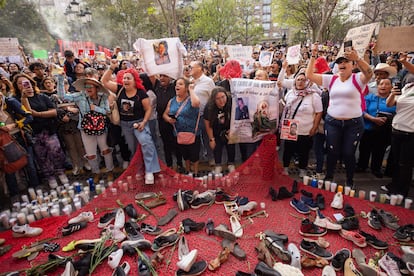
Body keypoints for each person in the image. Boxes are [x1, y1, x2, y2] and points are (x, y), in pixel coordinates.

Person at [306, 43, 373, 187]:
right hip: (333, 122)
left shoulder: (358, 78)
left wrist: (358, 58)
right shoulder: (332, 79)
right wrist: (313, 55)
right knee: (332, 151)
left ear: (351, 64)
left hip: (353, 124)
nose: (342, 64)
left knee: (349, 153)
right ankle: (329, 176)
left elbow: (369, 73)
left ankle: (350, 180)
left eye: (345, 61)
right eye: (339, 62)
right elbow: (309, 75)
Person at [102, 60, 160, 184]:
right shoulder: (120, 89)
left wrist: (144, 122)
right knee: (133, 148)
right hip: (125, 125)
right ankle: (139, 169)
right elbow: (104, 82)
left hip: (139, 123)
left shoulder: (141, 93)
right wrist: (111, 68)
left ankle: (150, 171)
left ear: (135, 80)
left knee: (146, 143)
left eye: (128, 78)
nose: (125, 80)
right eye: (124, 78)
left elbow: (148, 108)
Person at [13, 73, 68, 188]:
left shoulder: (42, 96)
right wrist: (24, 98)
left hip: (48, 129)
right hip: (34, 132)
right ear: (17, 86)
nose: (24, 85)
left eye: (26, 82)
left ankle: (60, 172)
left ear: (31, 83)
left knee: (56, 152)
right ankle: (50, 177)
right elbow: (28, 113)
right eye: (20, 83)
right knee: (42, 156)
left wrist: (40, 114)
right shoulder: (16, 100)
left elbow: (54, 111)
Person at [57, 76, 115, 183]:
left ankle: (110, 171)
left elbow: (107, 111)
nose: (88, 88)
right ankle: (95, 172)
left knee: (105, 150)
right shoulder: (80, 96)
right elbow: (62, 96)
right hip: (85, 129)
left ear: (97, 88)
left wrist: (96, 108)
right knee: (91, 154)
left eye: (91, 86)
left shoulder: (103, 97)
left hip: (101, 128)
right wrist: (60, 79)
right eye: (86, 86)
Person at [383, 53, 414, 198]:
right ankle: (393, 186)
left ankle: (401, 191)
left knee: (405, 164)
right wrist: (392, 94)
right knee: (395, 161)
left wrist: (404, 62)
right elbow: (390, 104)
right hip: (397, 129)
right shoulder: (407, 88)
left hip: (410, 133)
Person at [280, 72, 323, 177]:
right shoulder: (290, 93)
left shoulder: (314, 95)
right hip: (290, 127)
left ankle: (302, 169)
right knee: (288, 150)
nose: (300, 82)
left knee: (304, 151)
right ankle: (285, 168)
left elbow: (319, 112)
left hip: (305, 128)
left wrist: (314, 127)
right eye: (298, 79)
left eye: (303, 80)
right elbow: (285, 106)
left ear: (308, 82)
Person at [0, 93, 39, 202]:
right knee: (9, 167)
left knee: (29, 164)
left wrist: (15, 125)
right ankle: (14, 195)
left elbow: (29, 116)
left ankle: (37, 188)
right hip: (4, 141)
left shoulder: (10, 102)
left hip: (19, 136)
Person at [357, 78, 396, 178]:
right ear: (377, 86)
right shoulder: (370, 97)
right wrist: (373, 119)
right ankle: (362, 165)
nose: (383, 86)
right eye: (381, 84)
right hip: (368, 128)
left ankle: (376, 168)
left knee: (380, 150)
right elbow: (362, 111)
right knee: (364, 148)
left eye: (387, 84)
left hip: (384, 130)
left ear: (391, 87)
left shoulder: (394, 100)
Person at [163, 78, 201, 175]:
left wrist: (191, 90)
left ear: (186, 87)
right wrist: (168, 119)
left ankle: (196, 174)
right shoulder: (172, 101)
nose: (177, 86)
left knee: (194, 155)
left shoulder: (191, 98)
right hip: (179, 133)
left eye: (180, 84)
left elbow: (196, 104)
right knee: (185, 155)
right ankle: (188, 172)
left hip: (193, 132)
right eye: (176, 84)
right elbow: (164, 114)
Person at [154, 74, 183, 171]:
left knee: (177, 143)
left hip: (175, 120)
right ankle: (169, 165)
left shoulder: (174, 87)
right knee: (166, 144)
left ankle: (179, 164)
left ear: (170, 77)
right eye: (161, 76)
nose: (162, 78)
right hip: (162, 120)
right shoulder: (156, 87)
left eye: (165, 76)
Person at [204, 86, 235, 174]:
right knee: (217, 147)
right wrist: (211, 139)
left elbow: (237, 116)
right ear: (214, 99)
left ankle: (231, 164)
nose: (221, 100)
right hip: (216, 130)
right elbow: (207, 123)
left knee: (231, 146)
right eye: (218, 98)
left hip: (229, 129)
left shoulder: (231, 102)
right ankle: (218, 165)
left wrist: (232, 130)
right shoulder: (209, 107)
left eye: (223, 97)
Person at [189, 60, 215, 164]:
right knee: (195, 138)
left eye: (192, 67)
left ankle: (210, 157)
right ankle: (197, 157)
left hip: (205, 114)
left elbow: (213, 97)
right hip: (192, 115)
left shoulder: (208, 81)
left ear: (199, 68)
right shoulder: (190, 81)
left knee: (207, 136)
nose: (189, 69)